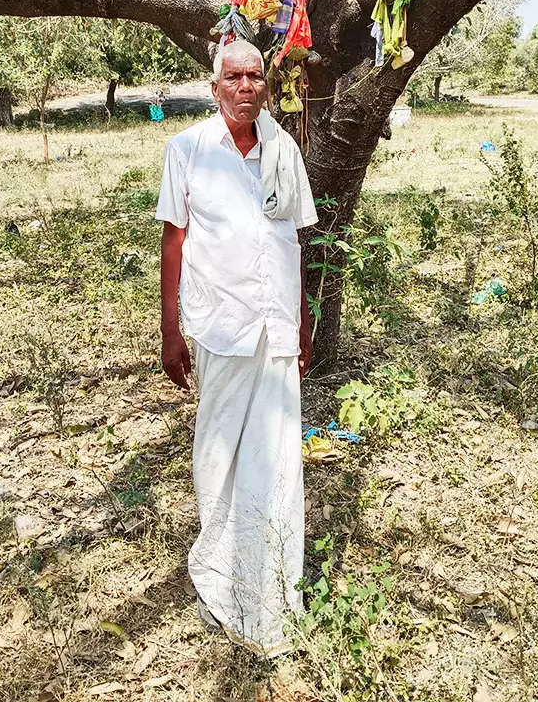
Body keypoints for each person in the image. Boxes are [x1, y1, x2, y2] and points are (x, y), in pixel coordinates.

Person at [154, 38, 318, 655]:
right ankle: (219, 570)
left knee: (277, 459)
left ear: (265, 84)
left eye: (255, 76)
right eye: (235, 77)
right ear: (215, 84)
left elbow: (295, 243)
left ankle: (274, 583)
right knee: (217, 452)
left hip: (275, 327)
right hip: (220, 327)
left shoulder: (284, 150)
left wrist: (302, 320)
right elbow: (175, 241)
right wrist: (171, 330)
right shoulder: (188, 150)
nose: (246, 86)